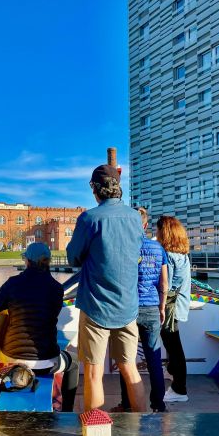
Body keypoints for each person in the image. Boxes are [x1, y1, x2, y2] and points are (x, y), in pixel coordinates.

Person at [66, 164, 146, 412]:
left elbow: (73, 258)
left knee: (93, 372)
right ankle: (146, 426)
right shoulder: (135, 217)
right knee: (129, 367)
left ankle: (96, 435)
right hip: (128, 306)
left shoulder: (89, 219)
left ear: (95, 189)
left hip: (96, 306)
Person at [0, 242, 78, 411]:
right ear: (48, 261)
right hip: (46, 362)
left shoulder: (12, 283)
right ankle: (67, 411)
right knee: (74, 364)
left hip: (11, 357)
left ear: (27, 261)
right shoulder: (56, 289)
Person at [118, 207, 168, 412]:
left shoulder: (126, 248)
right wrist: (162, 307)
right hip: (151, 308)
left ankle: (127, 403)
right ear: (146, 225)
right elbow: (164, 283)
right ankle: (158, 404)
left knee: (126, 360)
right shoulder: (159, 249)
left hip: (129, 309)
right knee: (154, 359)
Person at [156, 216, 192, 403]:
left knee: (174, 347)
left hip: (169, 307)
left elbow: (165, 284)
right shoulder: (182, 254)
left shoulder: (167, 255)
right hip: (179, 305)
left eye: (158, 230)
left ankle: (179, 389)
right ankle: (171, 372)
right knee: (173, 345)